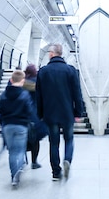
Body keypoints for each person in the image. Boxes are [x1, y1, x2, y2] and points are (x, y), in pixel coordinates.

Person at [36, 44, 84, 181]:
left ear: (51, 54)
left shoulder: (43, 72)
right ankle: (67, 159)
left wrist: (40, 114)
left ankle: (56, 172)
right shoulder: (70, 70)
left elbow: (38, 96)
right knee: (69, 140)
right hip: (67, 113)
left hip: (50, 114)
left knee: (54, 143)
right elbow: (77, 93)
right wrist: (78, 113)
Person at [0, 70, 35, 188]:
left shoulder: (4, 95)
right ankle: (19, 168)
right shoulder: (24, 95)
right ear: (23, 81)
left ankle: (13, 175)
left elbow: (0, 110)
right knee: (20, 150)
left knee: (12, 151)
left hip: (7, 126)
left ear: (11, 80)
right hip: (21, 125)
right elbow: (29, 111)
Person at [23, 64, 47, 169]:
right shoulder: (39, 84)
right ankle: (34, 162)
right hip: (36, 115)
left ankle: (21, 158)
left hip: (23, 115)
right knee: (35, 139)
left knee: (22, 137)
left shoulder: (21, 84)